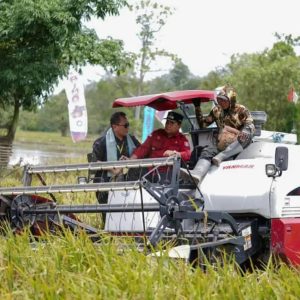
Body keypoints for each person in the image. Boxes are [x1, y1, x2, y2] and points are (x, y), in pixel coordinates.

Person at [187, 86, 255, 184]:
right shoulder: (216, 110)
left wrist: (243, 133)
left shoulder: (241, 109)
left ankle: (222, 156)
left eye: (224, 100)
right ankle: (197, 174)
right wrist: (197, 107)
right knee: (207, 151)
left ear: (231, 100)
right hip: (222, 142)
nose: (221, 102)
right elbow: (203, 124)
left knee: (247, 132)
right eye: (219, 99)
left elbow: (250, 123)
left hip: (238, 142)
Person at [91, 111, 140, 204]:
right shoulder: (101, 142)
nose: (128, 128)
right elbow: (94, 163)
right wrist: (113, 169)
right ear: (114, 126)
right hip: (105, 184)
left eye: (128, 125)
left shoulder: (132, 140)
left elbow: (142, 152)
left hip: (126, 183)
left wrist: (130, 160)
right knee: (108, 215)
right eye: (125, 125)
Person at [130, 111, 191, 182]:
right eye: (167, 122)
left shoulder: (182, 140)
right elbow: (143, 148)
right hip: (149, 170)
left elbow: (188, 154)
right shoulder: (156, 134)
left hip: (167, 173)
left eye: (172, 123)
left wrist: (176, 154)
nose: (168, 125)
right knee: (132, 173)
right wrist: (131, 159)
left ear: (179, 126)